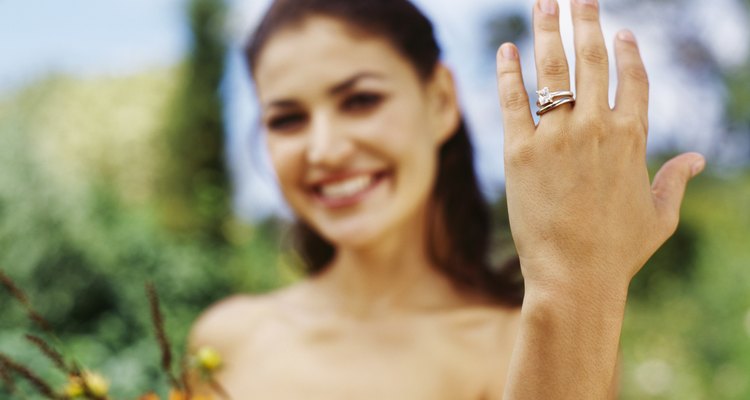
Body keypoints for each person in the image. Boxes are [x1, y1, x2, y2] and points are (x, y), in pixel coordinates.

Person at [188, 0, 706, 398]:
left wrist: (579, 279)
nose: (324, 150)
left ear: (439, 101)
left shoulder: (524, 342)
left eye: (361, 100)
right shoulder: (225, 338)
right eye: (287, 119)